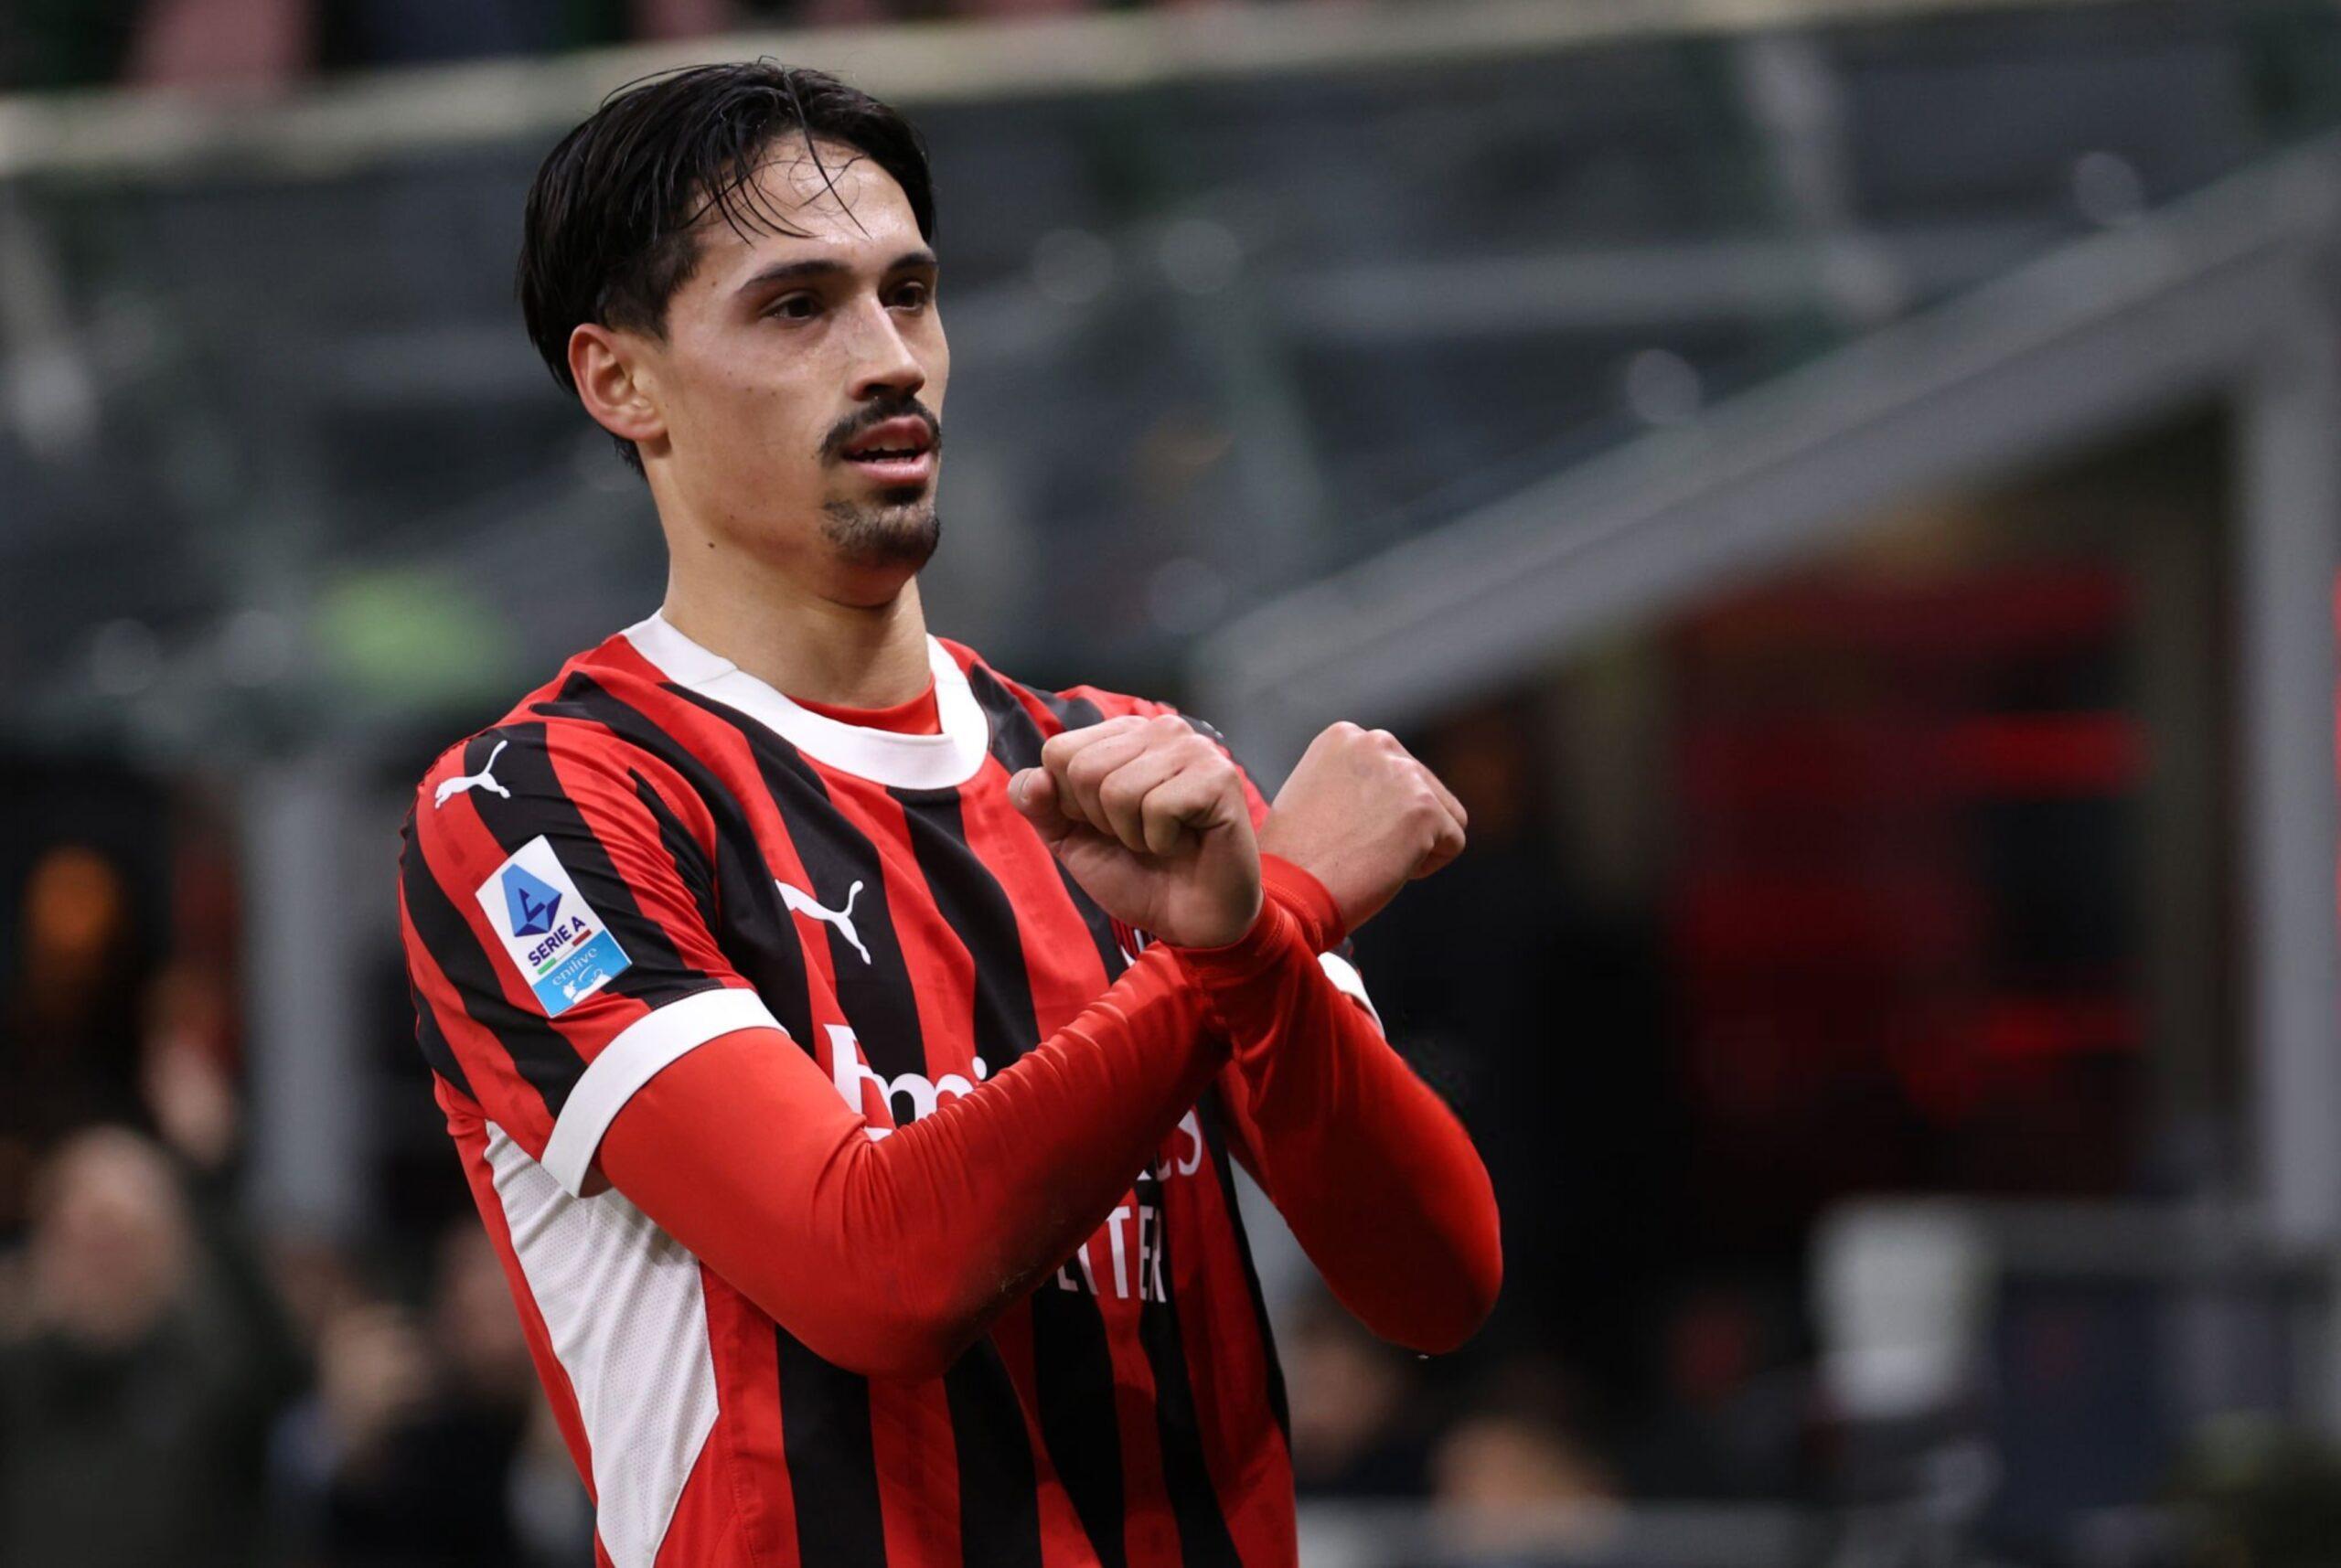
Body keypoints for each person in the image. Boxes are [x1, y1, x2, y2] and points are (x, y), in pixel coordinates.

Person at [396, 60, 1501, 1568]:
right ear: (620, 382)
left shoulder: (1133, 769)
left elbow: (1433, 1284)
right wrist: (1267, 926)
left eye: (909, 295)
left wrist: (1257, 954)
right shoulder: (539, 811)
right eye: (798, 307)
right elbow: (872, 1274)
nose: (890, 359)